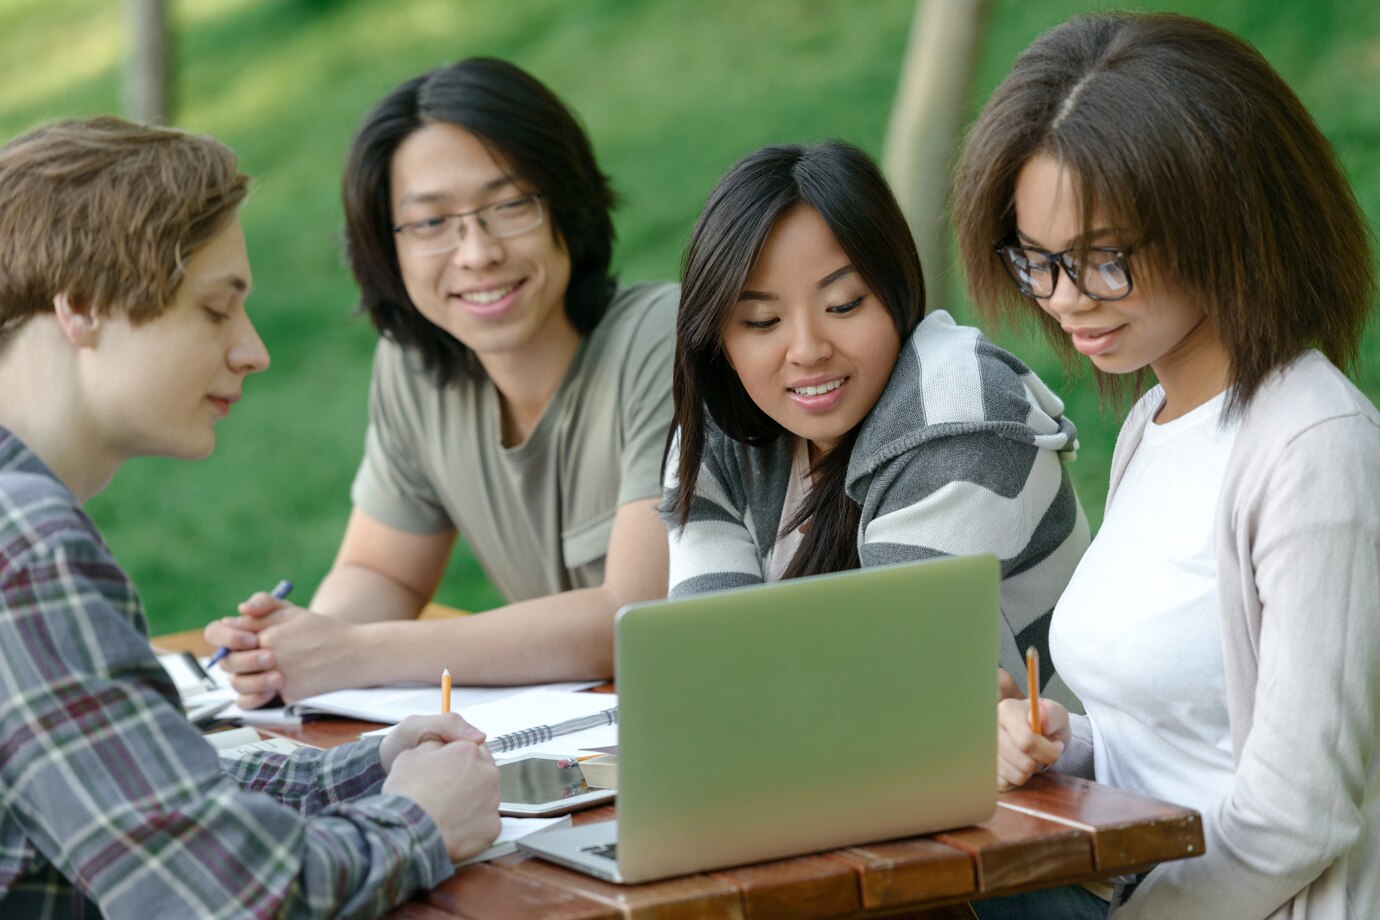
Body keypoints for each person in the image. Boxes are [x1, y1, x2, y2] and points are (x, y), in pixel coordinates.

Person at [0, 117, 501, 918]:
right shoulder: (24, 542)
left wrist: (367, 772)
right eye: (215, 309)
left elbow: (131, 785)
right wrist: (422, 822)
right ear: (84, 308)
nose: (255, 351)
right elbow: (218, 898)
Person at [952, 12, 1380, 919]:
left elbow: (1297, 820)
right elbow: (1180, 738)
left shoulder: (1315, 448)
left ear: (1225, 217)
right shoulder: (1154, 420)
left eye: (1105, 260)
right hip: (1127, 878)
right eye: (1039, 262)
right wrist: (1060, 742)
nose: (1065, 301)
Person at [205, 58, 676, 707]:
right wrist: (294, 646)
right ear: (385, 247)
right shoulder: (415, 372)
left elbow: (634, 618)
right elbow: (381, 571)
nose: (477, 252)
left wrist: (355, 654)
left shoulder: (666, 340)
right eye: (431, 223)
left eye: (510, 206)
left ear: (567, 205)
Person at [664, 140, 1090, 697]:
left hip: (1052, 779)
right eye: (763, 321)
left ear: (896, 289)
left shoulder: (956, 412)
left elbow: (888, 693)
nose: (807, 349)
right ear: (718, 338)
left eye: (842, 305)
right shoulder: (719, 433)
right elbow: (709, 667)